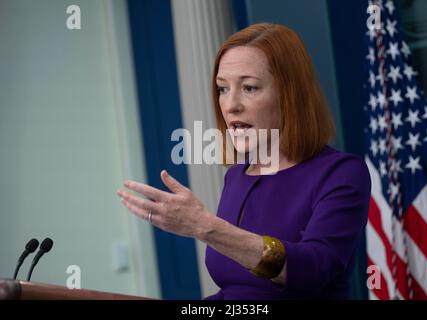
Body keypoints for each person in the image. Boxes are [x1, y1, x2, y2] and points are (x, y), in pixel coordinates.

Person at [116, 23, 371, 300]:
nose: (230, 104)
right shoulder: (237, 176)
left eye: (249, 88)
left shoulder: (342, 172)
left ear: (291, 95)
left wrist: (205, 226)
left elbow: (314, 268)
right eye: (222, 89)